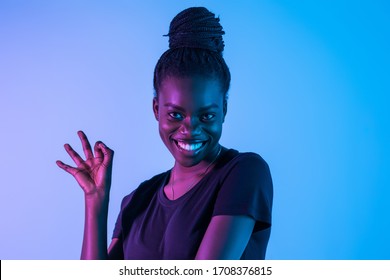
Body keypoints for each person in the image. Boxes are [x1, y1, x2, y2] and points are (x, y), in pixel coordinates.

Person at [56, 7, 273, 260]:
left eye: (207, 116)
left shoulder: (244, 172)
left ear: (224, 109)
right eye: (176, 115)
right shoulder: (137, 200)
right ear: (156, 109)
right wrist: (96, 199)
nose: (190, 129)